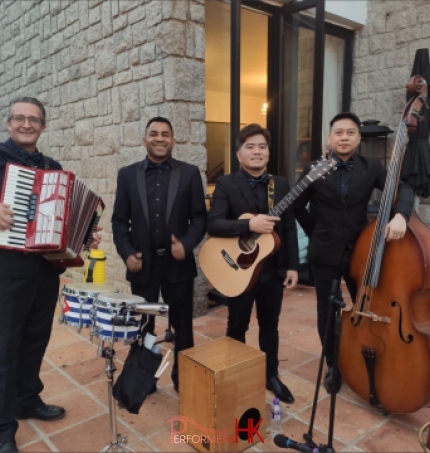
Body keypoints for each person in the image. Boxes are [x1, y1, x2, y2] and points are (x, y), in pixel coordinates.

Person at [0, 96, 101, 453]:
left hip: (45, 271)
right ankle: (3, 428)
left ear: (43, 126)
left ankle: (27, 400)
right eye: (19, 118)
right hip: (7, 274)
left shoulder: (52, 166)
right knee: (5, 348)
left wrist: (86, 234)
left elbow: (65, 221)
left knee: (35, 340)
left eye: (34, 120)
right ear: (9, 123)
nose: (26, 125)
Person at [293, 112, 414, 394]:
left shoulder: (371, 167)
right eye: (338, 132)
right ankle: (334, 365)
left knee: (367, 308)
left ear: (358, 138)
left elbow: (403, 188)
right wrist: (316, 233)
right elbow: (297, 206)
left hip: (361, 253)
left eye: (350, 132)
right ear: (330, 137)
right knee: (327, 310)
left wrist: (401, 217)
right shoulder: (314, 167)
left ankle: (365, 354)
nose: (344, 137)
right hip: (325, 253)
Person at [111, 116, 207, 392]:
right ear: (145, 140)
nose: (160, 138)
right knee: (143, 325)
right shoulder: (127, 174)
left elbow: (199, 218)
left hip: (178, 263)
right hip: (143, 264)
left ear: (173, 140)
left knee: (183, 324)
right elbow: (119, 221)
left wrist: (186, 244)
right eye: (154, 133)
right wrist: (126, 252)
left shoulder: (189, 173)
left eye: (166, 133)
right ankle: (143, 379)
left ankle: (184, 377)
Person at [207, 123, 299, 404]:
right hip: (240, 270)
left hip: (272, 269)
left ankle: (271, 375)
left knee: (270, 324)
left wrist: (293, 265)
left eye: (262, 146)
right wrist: (249, 224)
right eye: (250, 147)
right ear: (239, 154)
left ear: (268, 153)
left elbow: (290, 227)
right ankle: (235, 375)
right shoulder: (225, 184)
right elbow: (214, 225)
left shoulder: (280, 184)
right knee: (237, 325)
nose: (256, 152)